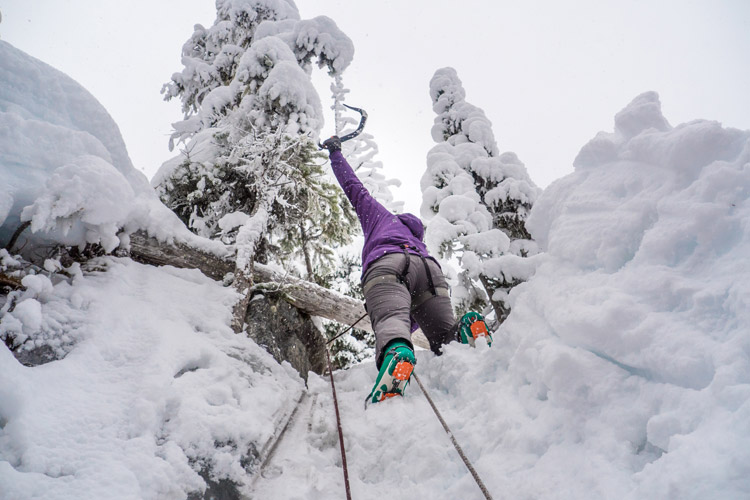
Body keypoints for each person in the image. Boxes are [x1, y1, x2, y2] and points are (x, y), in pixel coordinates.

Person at [322, 136, 491, 405]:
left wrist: (335, 153)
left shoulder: (381, 217)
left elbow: (355, 189)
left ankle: (397, 354)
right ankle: (465, 329)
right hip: (429, 271)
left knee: (391, 322)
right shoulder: (417, 241)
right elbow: (410, 310)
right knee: (444, 340)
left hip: (388, 263)